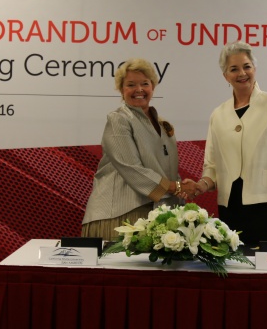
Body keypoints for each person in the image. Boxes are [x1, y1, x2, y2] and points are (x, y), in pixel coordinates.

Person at [191, 41, 267, 247]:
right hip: (231, 210)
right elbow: (212, 166)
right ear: (225, 76)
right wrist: (202, 185)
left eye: (247, 66)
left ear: (255, 69)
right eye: (234, 69)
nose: (242, 73)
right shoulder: (218, 114)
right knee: (237, 275)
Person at [82, 58, 196, 241]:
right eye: (131, 85)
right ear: (121, 89)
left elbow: (168, 172)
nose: (139, 90)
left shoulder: (163, 124)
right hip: (120, 215)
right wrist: (177, 187)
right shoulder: (118, 119)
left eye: (145, 83)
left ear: (153, 87)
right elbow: (131, 167)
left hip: (154, 213)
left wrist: (182, 187)